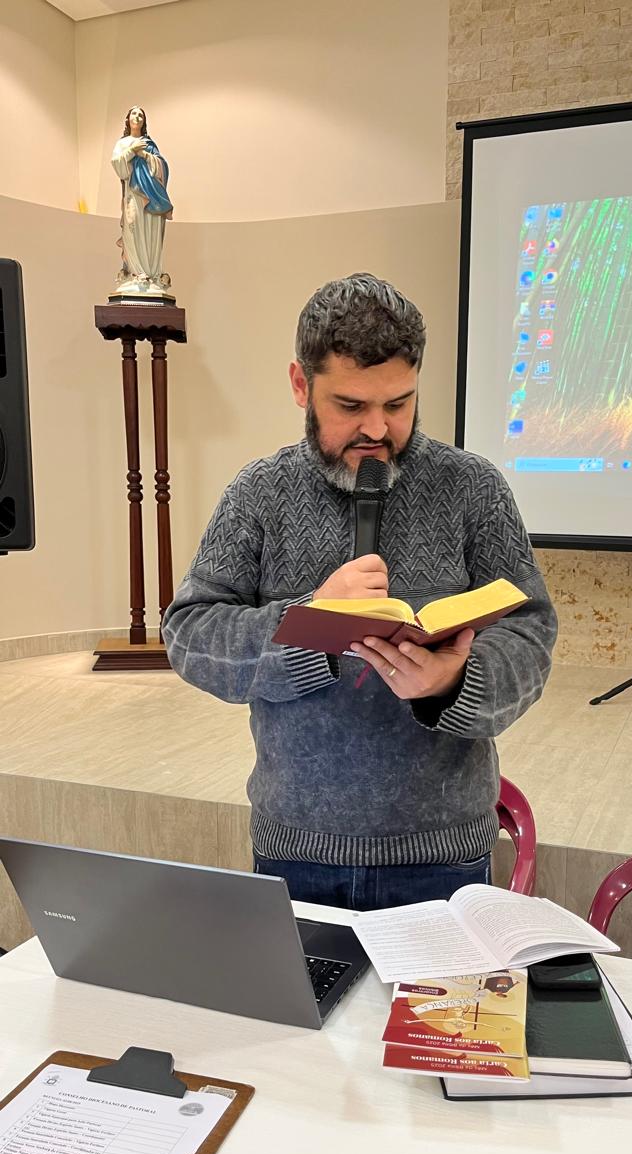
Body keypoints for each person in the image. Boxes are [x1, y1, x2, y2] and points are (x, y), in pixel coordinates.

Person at [162, 274, 557, 911]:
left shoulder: (472, 489)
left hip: (443, 855)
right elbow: (190, 637)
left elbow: (531, 637)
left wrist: (454, 682)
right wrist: (312, 625)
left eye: (399, 404)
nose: (377, 429)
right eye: (350, 406)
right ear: (301, 385)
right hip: (297, 850)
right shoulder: (260, 493)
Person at [111, 106, 173, 297]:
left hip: (151, 197)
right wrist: (132, 150)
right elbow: (119, 167)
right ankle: (136, 272)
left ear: (144, 121)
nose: (137, 117)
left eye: (141, 115)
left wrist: (144, 154)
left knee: (150, 231)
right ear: (128, 119)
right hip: (133, 194)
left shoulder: (149, 144)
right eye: (134, 114)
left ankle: (151, 274)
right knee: (133, 228)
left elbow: (162, 168)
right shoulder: (123, 143)